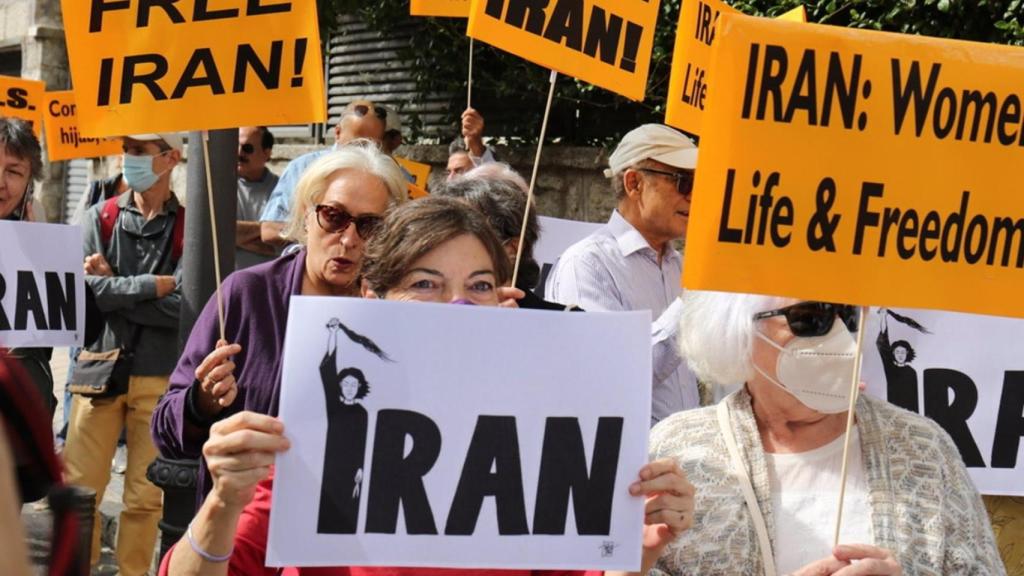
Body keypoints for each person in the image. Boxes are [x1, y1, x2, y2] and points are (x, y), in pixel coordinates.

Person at [159, 197, 693, 576]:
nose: (456, 305)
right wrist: (223, 502)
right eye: (425, 284)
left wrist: (636, 552)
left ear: (504, 300)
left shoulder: (541, 441)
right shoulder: (321, 433)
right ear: (373, 299)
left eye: (478, 285)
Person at [646, 294, 1004, 575]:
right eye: (809, 318)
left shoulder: (923, 447)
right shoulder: (679, 451)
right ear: (735, 328)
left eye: (847, 314)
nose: (838, 335)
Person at [151, 141, 409, 508]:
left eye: (370, 225)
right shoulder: (246, 295)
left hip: (348, 525)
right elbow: (165, 429)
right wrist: (202, 402)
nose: (349, 239)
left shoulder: (399, 309)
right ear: (307, 214)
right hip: (247, 524)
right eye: (334, 216)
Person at [61, 131, 185, 575]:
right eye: (126, 149)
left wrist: (113, 282)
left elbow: (184, 307)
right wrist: (152, 285)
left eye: (139, 151)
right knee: (79, 490)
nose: (127, 158)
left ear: (170, 158)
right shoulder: (100, 216)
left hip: (158, 375)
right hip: (98, 370)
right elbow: (84, 292)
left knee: (145, 498)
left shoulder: (189, 228)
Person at [546, 124, 700, 424]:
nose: (693, 196)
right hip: (629, 452)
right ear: (634, 183)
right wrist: (693, 299)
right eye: (683, 182)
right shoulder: (587, 265)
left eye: (700, 183)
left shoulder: (678, 265)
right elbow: (613, 376)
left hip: (684, 448)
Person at [259, 100, 388, 246]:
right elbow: (269, 230)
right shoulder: (302, 168)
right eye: (357, 144)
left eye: (373, 146)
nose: (364, 152)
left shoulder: (387, 177)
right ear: (338, 133)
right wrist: (319, 229)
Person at [435, 174, 572, 309]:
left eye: (464, 235)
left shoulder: (566, 319)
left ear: (513, 248)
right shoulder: (426, 309)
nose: (444, 247)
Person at [235, 126, 280, 270]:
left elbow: (285, 240)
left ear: (267, 153)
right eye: (235, 146)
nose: (239, 153)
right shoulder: (221, 187)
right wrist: (266, 229)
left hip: (270, 278)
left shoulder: (282, 189)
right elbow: (219, 233)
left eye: (247, 148)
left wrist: (238, 234)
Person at [446, 107, 495, 180]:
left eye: (459, 171)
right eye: (449, 172)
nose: (450, 178)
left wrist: (475, 143)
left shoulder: (487, 179)